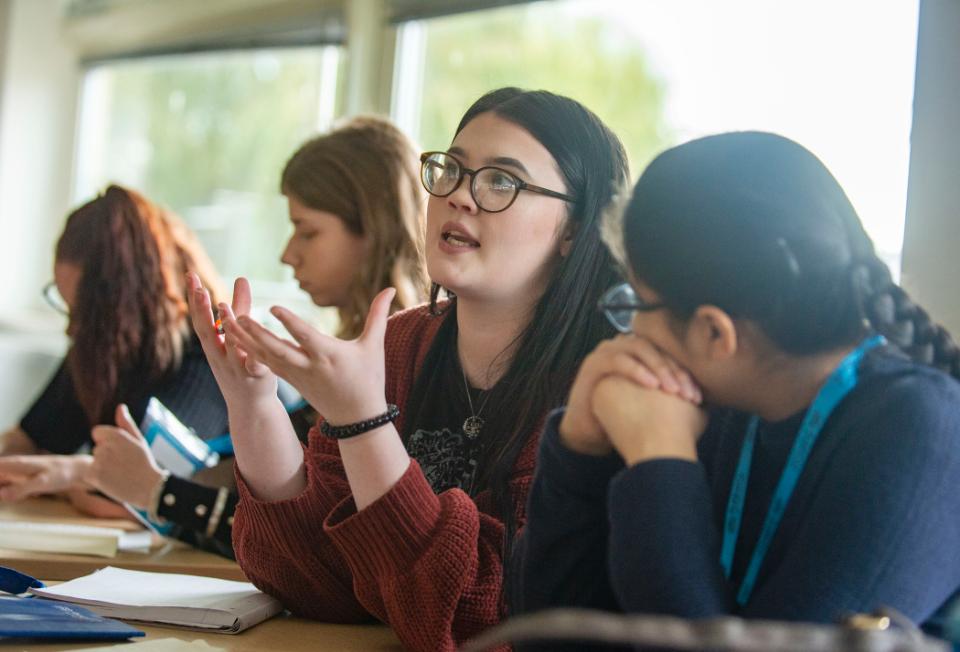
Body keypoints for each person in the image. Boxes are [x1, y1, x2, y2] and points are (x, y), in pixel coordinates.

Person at [186, 88, 629, 651]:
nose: (460, 198)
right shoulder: (400, 343)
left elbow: (492, 620)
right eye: (452, 170)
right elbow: (317, 584)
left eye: (501, 181)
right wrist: (253, 405)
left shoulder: (599, 383)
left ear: (574, 229)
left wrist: (364, 424)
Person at [514, 131, 960, 634]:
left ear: (713, 332)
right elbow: (552, 637)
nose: (632, 330)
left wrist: (660, 462)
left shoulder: (923, 433)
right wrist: (578, 451)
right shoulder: (717, 397)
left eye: (638, 302)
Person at [65, 117, 428, 558]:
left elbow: (316, 539)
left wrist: (157, 491)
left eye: (308, 230)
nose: (287, 253)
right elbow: (278, 506)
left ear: (374, 228)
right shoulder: (349, 358)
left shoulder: (404, 364)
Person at [0, 185, 230, 535]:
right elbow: (30, 440)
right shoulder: (100, 343)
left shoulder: (211, 354)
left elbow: (129, 495)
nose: (71, 329)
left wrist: (70, 477)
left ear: (125, 305)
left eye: (84, 314)